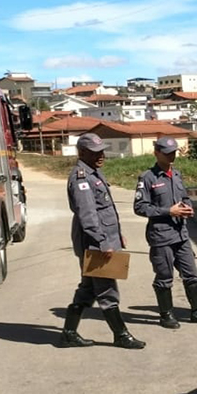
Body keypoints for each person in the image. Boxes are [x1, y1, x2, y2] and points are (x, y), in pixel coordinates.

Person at [58, 133, 146, 350]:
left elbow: (105, 210)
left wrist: (117, 235)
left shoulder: (93, 173)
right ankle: (121, 335)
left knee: (88, 289)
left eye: (102, 151)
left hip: (103, 239)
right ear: (82, 152)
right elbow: (88, 215)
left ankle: (69, 333)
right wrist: (102, 242)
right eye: (95, 152)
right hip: (94, 243)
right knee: (107, 290)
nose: (101, 156)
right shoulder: (81, 178)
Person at [133, 136, 197, 329]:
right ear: (157, 153)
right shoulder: (148, 178)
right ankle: (166, 314)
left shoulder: (177, 174)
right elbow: (140, 207)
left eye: (173, 152)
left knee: (191, 274)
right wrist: (168, 211)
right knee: (164, 277)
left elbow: (184, 197)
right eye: (167, 153)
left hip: (181, 234)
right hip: (161, 236)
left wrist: (188, 207)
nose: (171, 156)